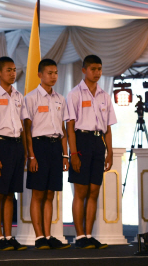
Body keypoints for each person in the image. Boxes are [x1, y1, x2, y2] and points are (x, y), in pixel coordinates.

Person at [67, 55, 116, 249]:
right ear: (84, 70)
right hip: (81, 140)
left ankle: (89, 234)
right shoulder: (75, 93)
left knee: (94, 191)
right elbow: (69, 127)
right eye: (93, 69)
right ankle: (79, 237)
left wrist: (109, 152)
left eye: (99, 69)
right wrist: (73, 153)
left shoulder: (104, 95)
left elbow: (108, 128)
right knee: (81, 191)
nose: (97, 72)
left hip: (98, 141)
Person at [23, 59, 71, 250]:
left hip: (55, 147)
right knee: (38, 193)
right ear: (40, 74)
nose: (53, 76)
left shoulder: (60, 98)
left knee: (50, 194)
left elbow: (63, 129)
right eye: (49, 73)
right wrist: (31, 156)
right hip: (39, 146)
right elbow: (27, 130)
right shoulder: (31, 97)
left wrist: (65, 155)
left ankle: (49, 235)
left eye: (56, 73)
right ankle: (39, 236)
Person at [0, 57, 29, 251]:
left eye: (14, 69)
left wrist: (26, 152)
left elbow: (24, 126)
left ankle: (9, 235)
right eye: (8, 70)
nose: (12, 73)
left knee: (10, 194)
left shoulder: (19, 96)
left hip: (17, 146)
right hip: (0, 145)